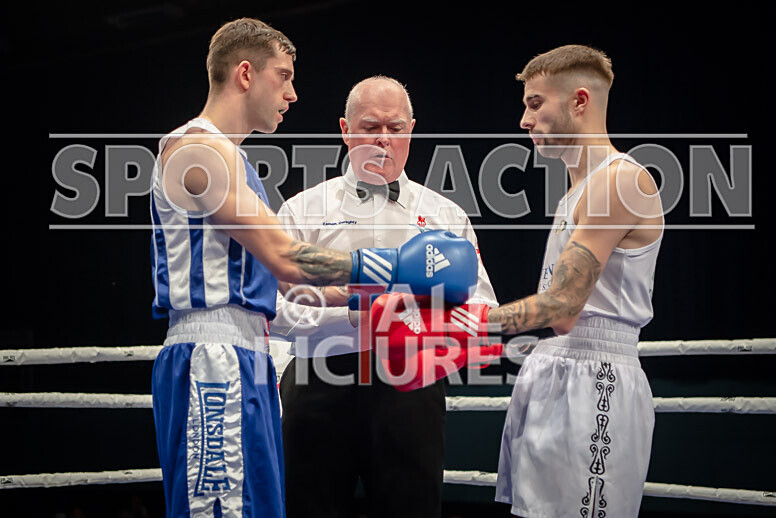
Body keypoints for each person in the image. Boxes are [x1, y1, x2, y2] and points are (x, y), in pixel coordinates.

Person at [148, 20, 478, 518]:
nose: (293, 93)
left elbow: (277, 283)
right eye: (283, 76)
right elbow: (286, 258)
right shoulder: (200, 151)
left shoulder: (232, 159)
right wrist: (400, 269)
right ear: (244, 74)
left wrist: (367, 304)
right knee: (219, 509)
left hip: (246, 351)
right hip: (213, 356)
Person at [368, 45, 663, 517]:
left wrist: (446, 327)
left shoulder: (620, 182)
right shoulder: (576, 192)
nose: (524, 120)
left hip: (596, 380)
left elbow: (564, 307)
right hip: (552, 370)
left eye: (535, 103)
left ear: (579, 101)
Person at [272, 76, 498, 518]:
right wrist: (363, 313)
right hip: (317, 376)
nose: (383, 138)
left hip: (412, 381)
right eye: (370, 126)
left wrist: (421, 321)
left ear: (411, 129)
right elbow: (276, 311)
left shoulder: (445, 215)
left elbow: (480, 306)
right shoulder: (302, 210)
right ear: (345, 129)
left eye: (395, 128)